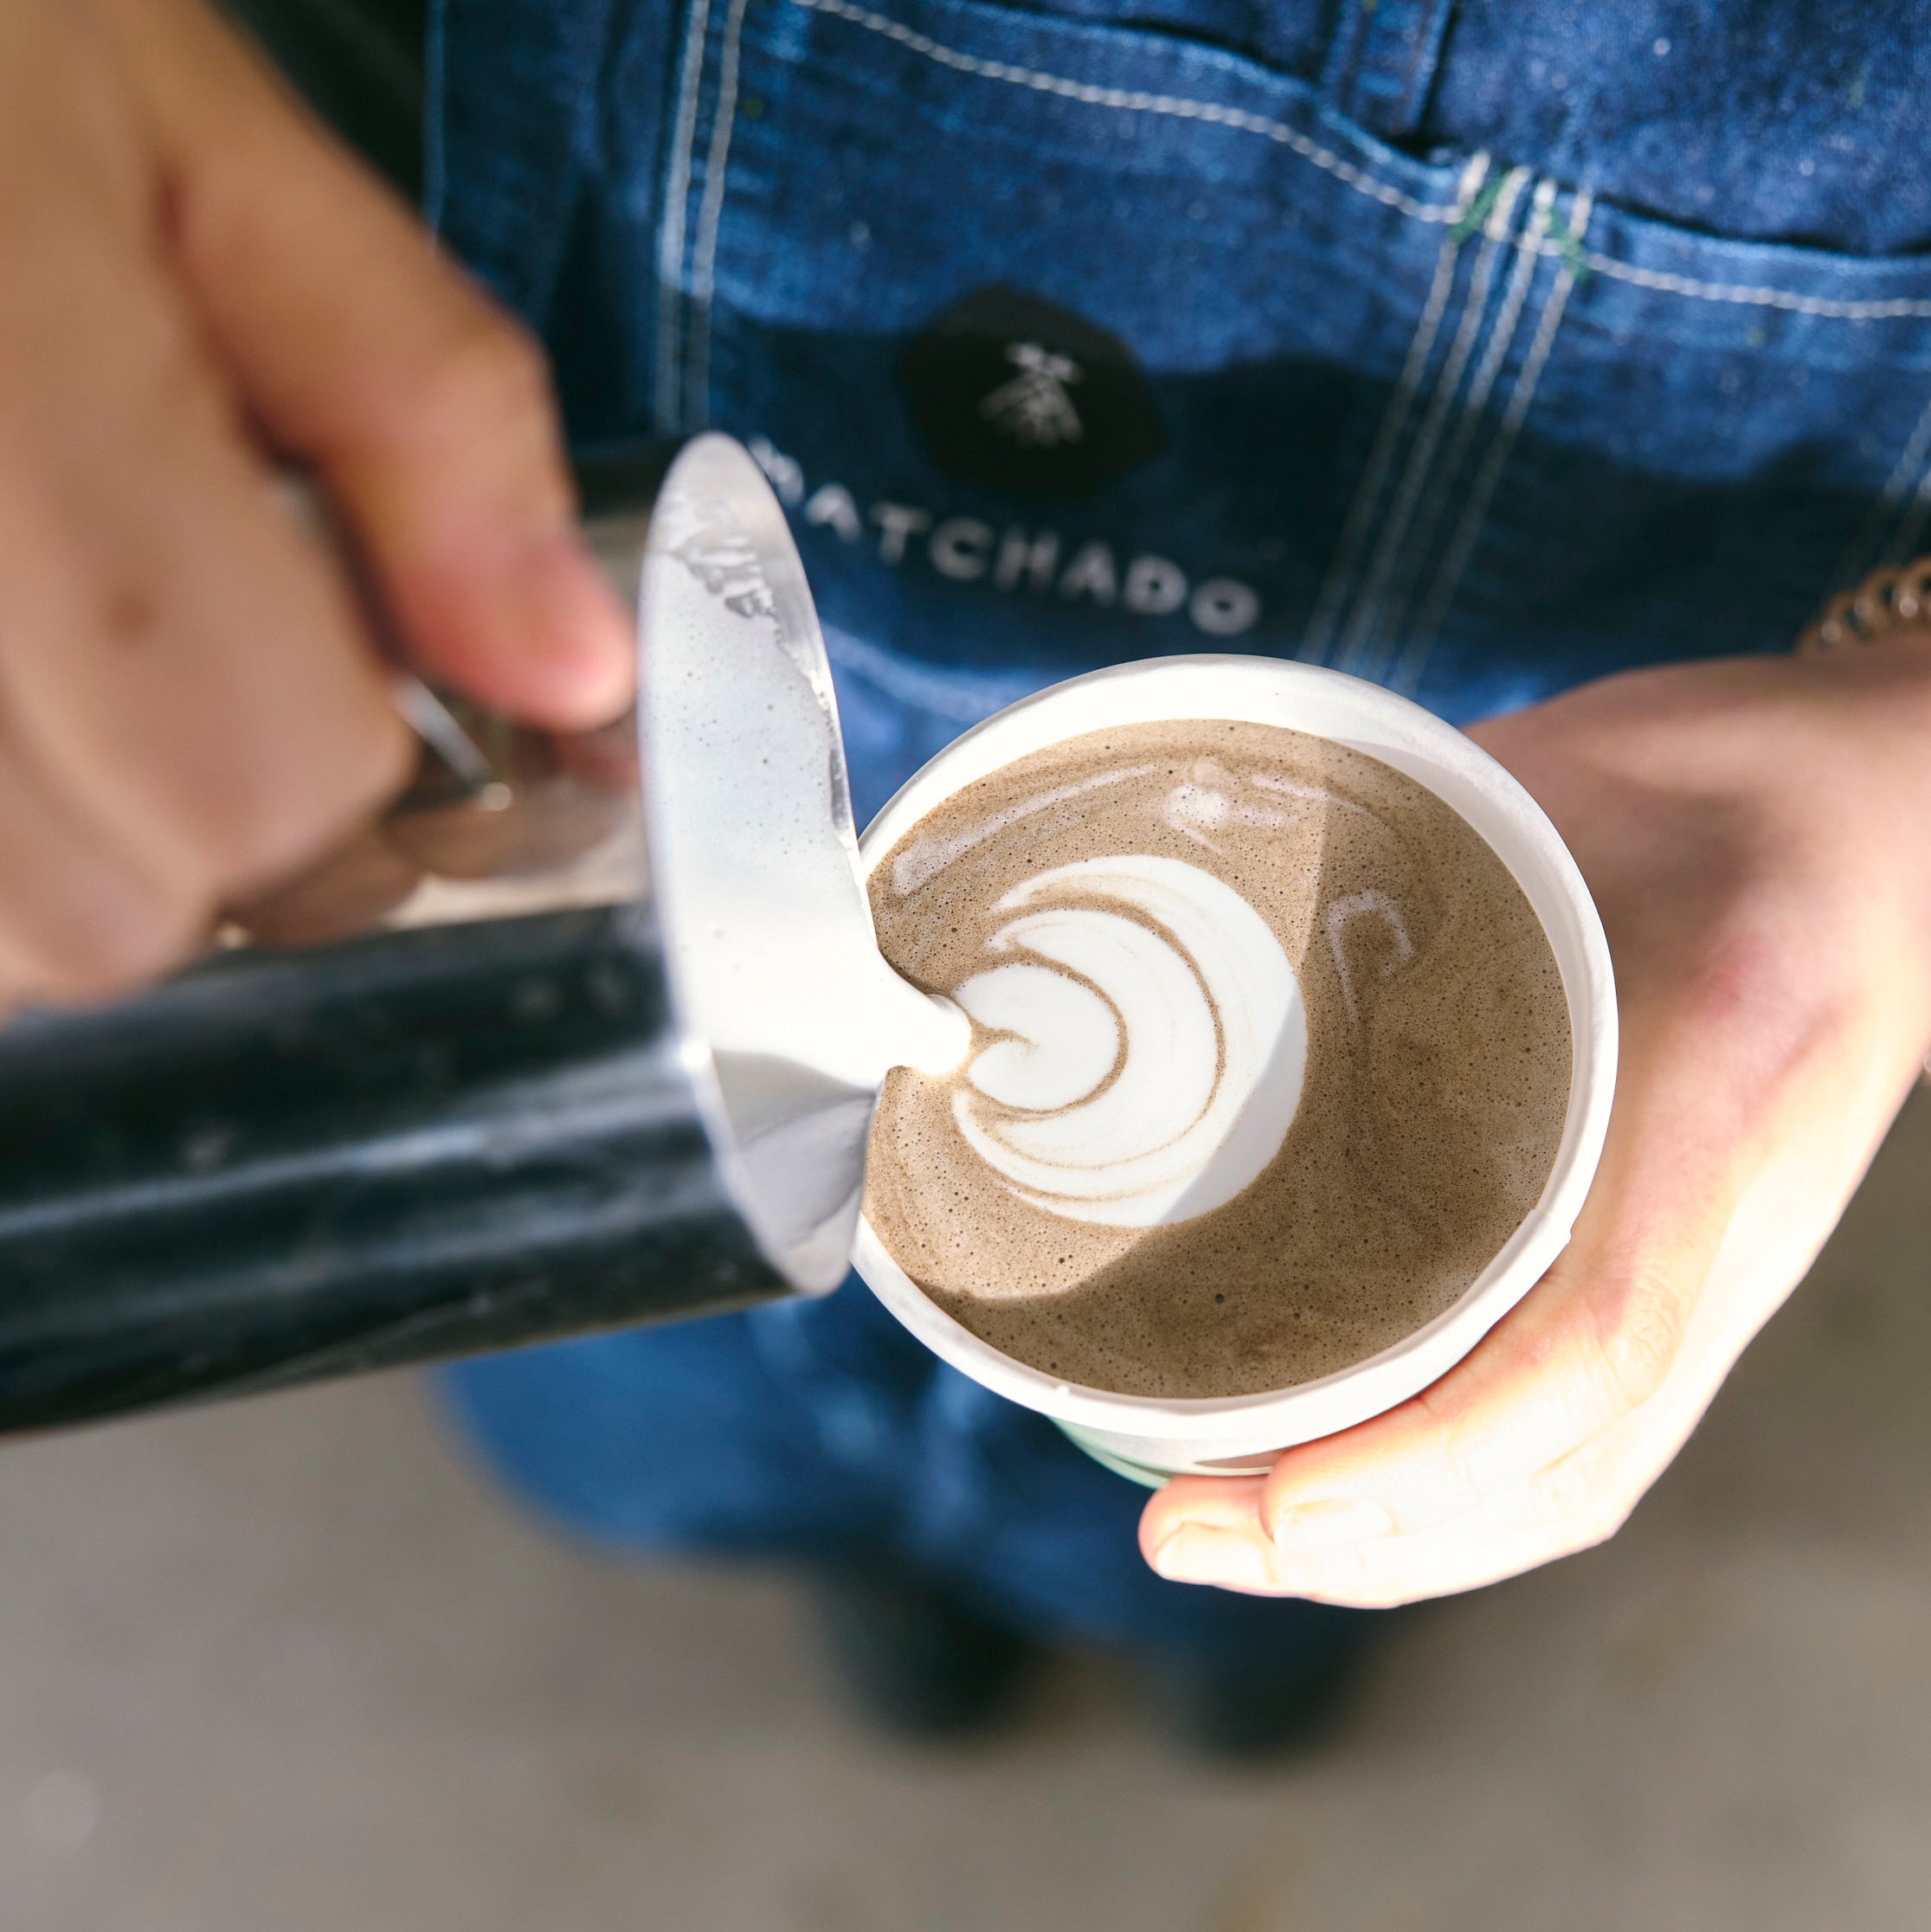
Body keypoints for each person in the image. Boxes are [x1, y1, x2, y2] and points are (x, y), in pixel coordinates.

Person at [3, 0, 1928, 1750]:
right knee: (678, 1432)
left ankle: (1210, 1654)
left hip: (1596, 835)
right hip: (635, 827)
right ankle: (895, 1576)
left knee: (1217, 1533)